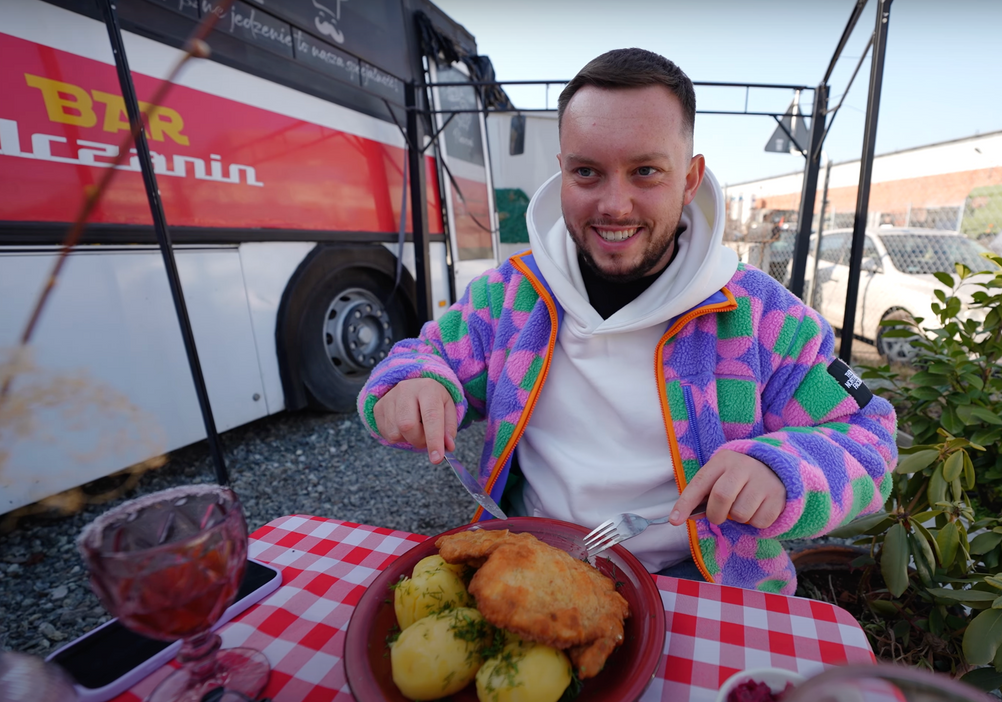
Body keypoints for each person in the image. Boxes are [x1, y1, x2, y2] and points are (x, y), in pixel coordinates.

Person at [357, 48, 897, 595]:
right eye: (587, 172)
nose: (615, 205)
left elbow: (870, 441)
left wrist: (783, 471)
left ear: (689, 179)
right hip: (530, 559)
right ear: (563, 173)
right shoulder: (509, 296)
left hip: (704, 583)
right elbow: (423, 359)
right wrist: (411, 385)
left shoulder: (765, 319)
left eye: (645, 171)